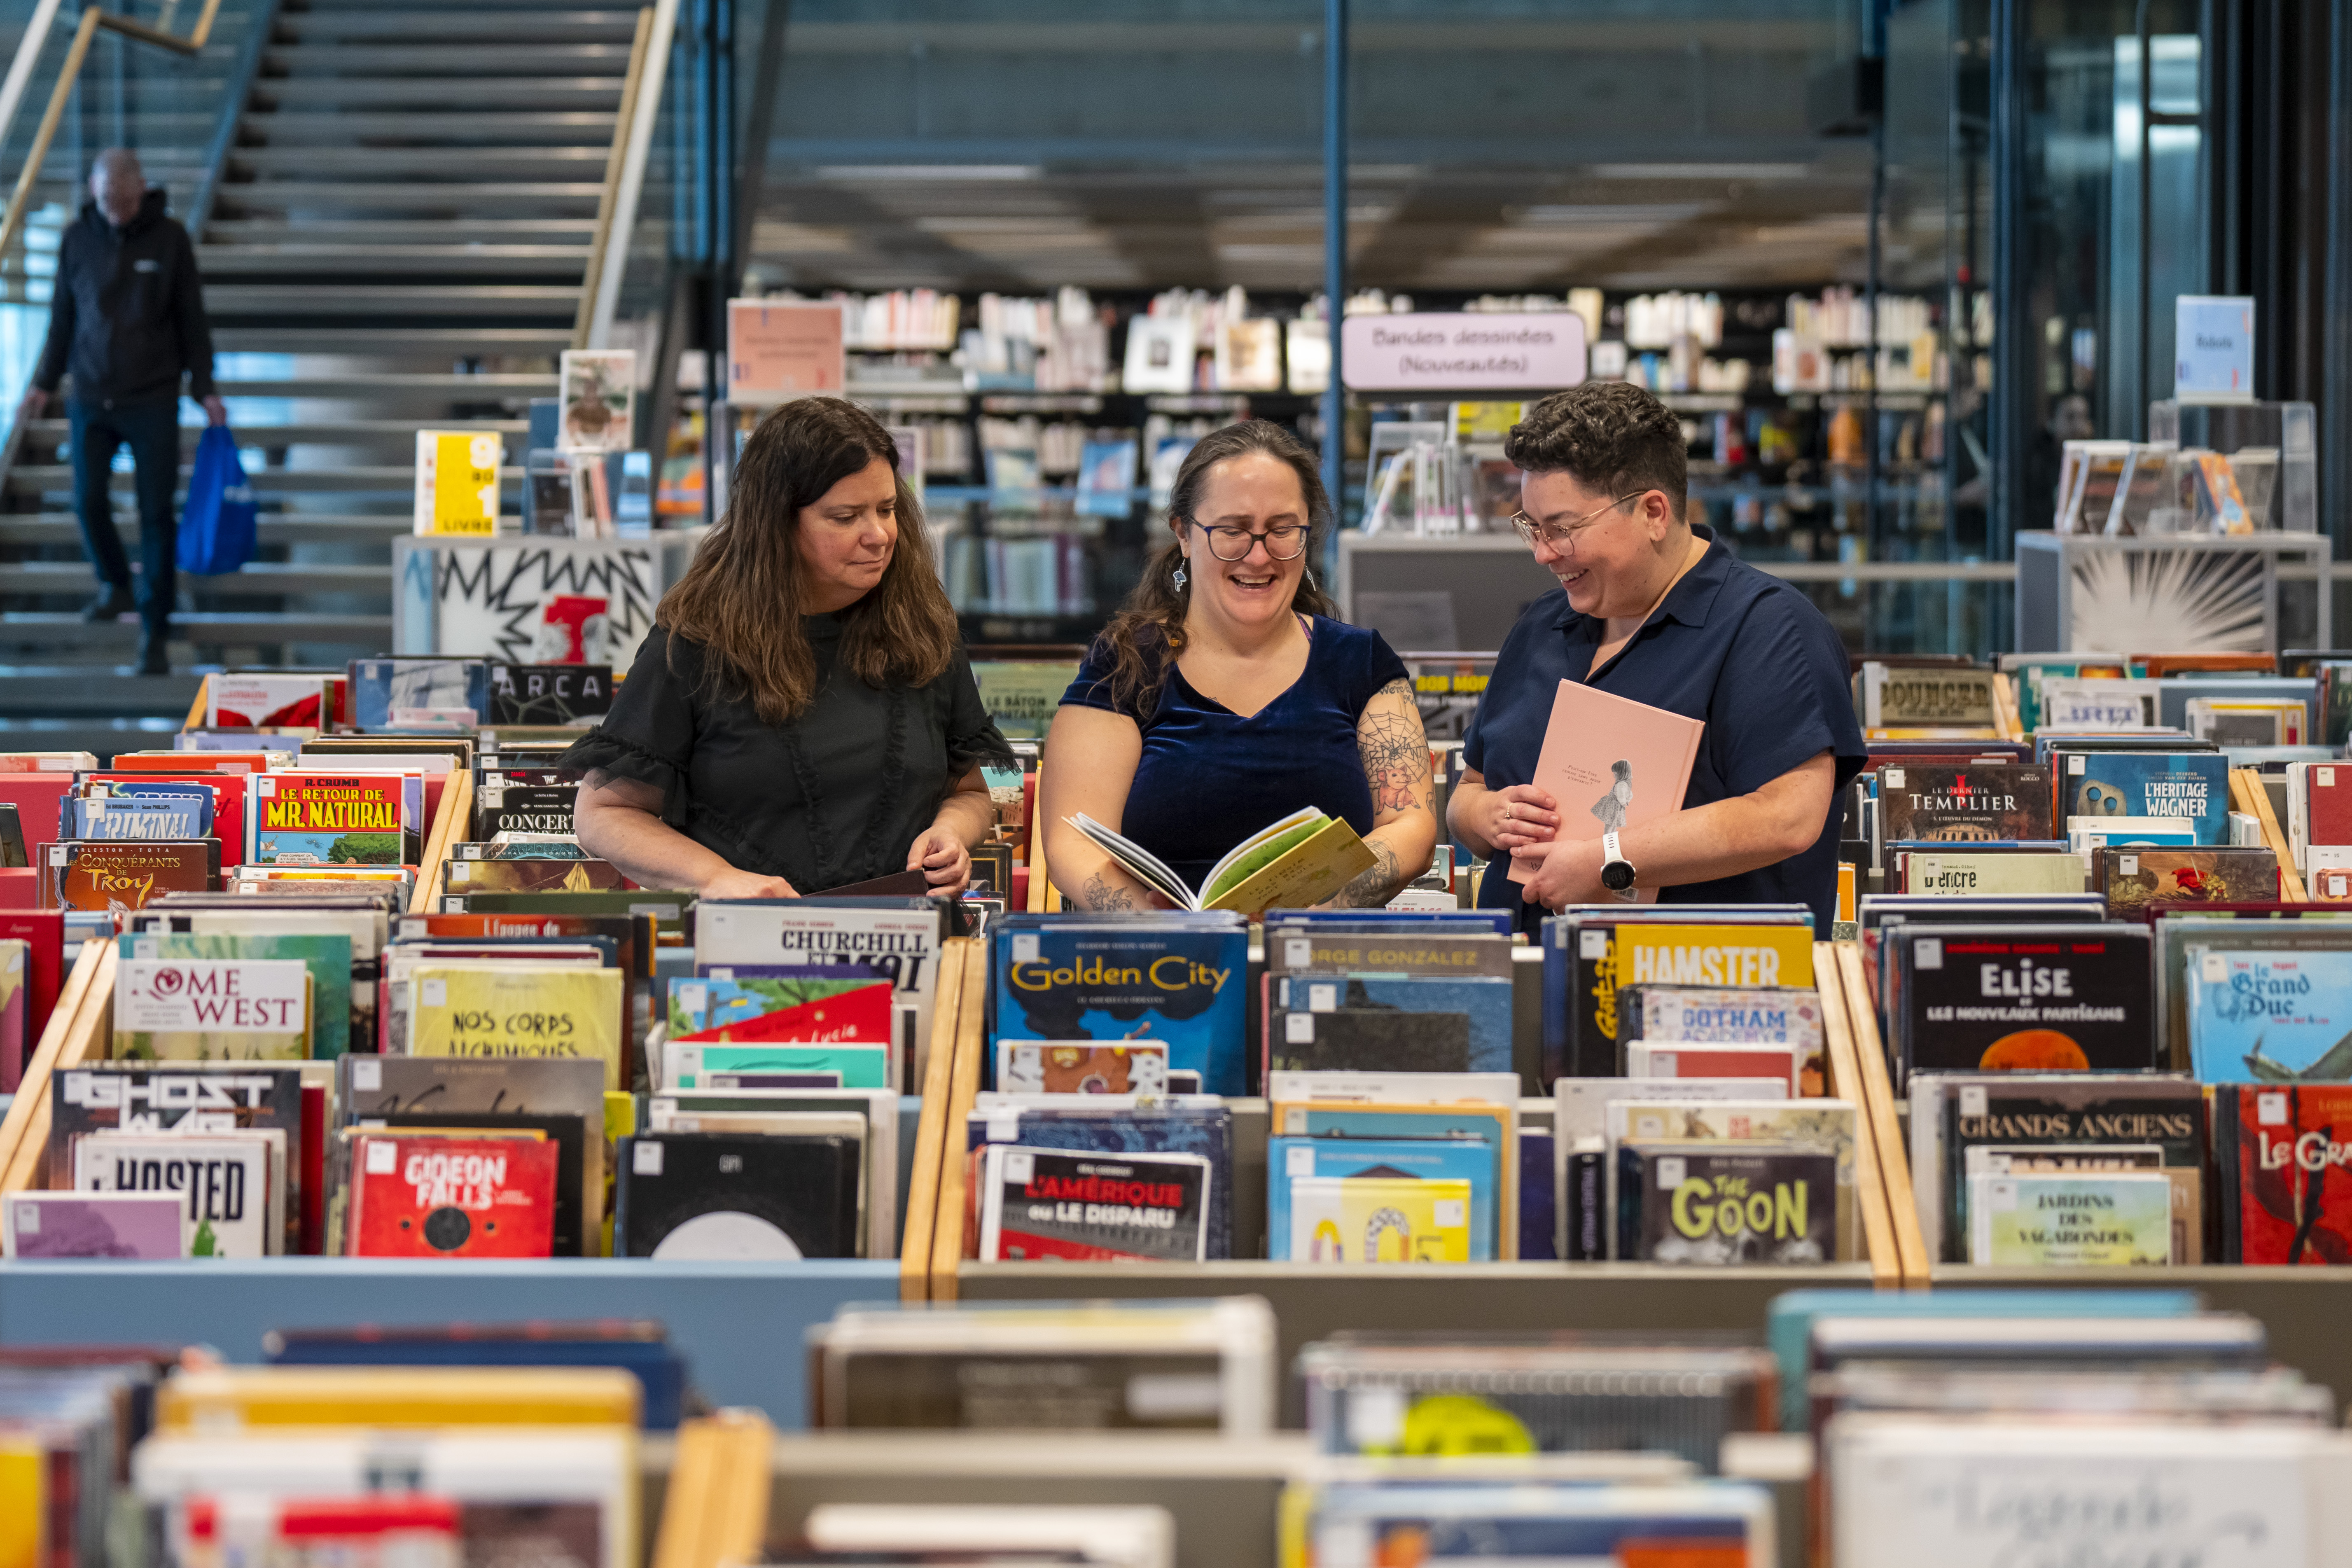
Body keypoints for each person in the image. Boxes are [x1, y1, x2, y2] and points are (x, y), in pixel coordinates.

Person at [1449, 382, 1866, 935]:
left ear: (1652, 512)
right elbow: (1467, 792)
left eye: (1563, 530)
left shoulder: (1768, 627)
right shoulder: (1540, 626)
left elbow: (1786, 816)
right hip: (1523, 973)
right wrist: (1485, 815)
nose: (1542, 553)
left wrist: (1610, 857)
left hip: (1699, 993)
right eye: (1531, 527)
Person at [563, 397, 1011, 897]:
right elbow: (605, 814)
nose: (880, 535)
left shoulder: (922, 626)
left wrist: (951, 833)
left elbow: (970, 790)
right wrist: (715, 879)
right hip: (749, 950)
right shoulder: (698, 642)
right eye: (845, 517)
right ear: (776, 525)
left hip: (908, 944)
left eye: (887, 509)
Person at [1043, 421, 1437, 910]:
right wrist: (1156, 926)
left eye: (1281, 531)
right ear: (1184, 534)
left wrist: (1332, 902)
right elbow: (1071, 845)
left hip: (1320, 954)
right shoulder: (1124, 666)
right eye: (1232, 531)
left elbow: (1410, 824)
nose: (1258, 556)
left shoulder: (1362, 663)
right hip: (1160, 963)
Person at [19, 149, 225, 675]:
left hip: (152, 397)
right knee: (88, 500)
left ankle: (154, 632)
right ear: (94, 191)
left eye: (122, 200)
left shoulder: (170, 239)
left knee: (156, 515)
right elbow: (62, 319)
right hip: (91, 395)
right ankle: (116, 583)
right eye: (105, 200)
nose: (114, 209)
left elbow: (192, 322)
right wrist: (43, 384)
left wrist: (205, 389)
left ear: (140, 189)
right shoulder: (76, 239)